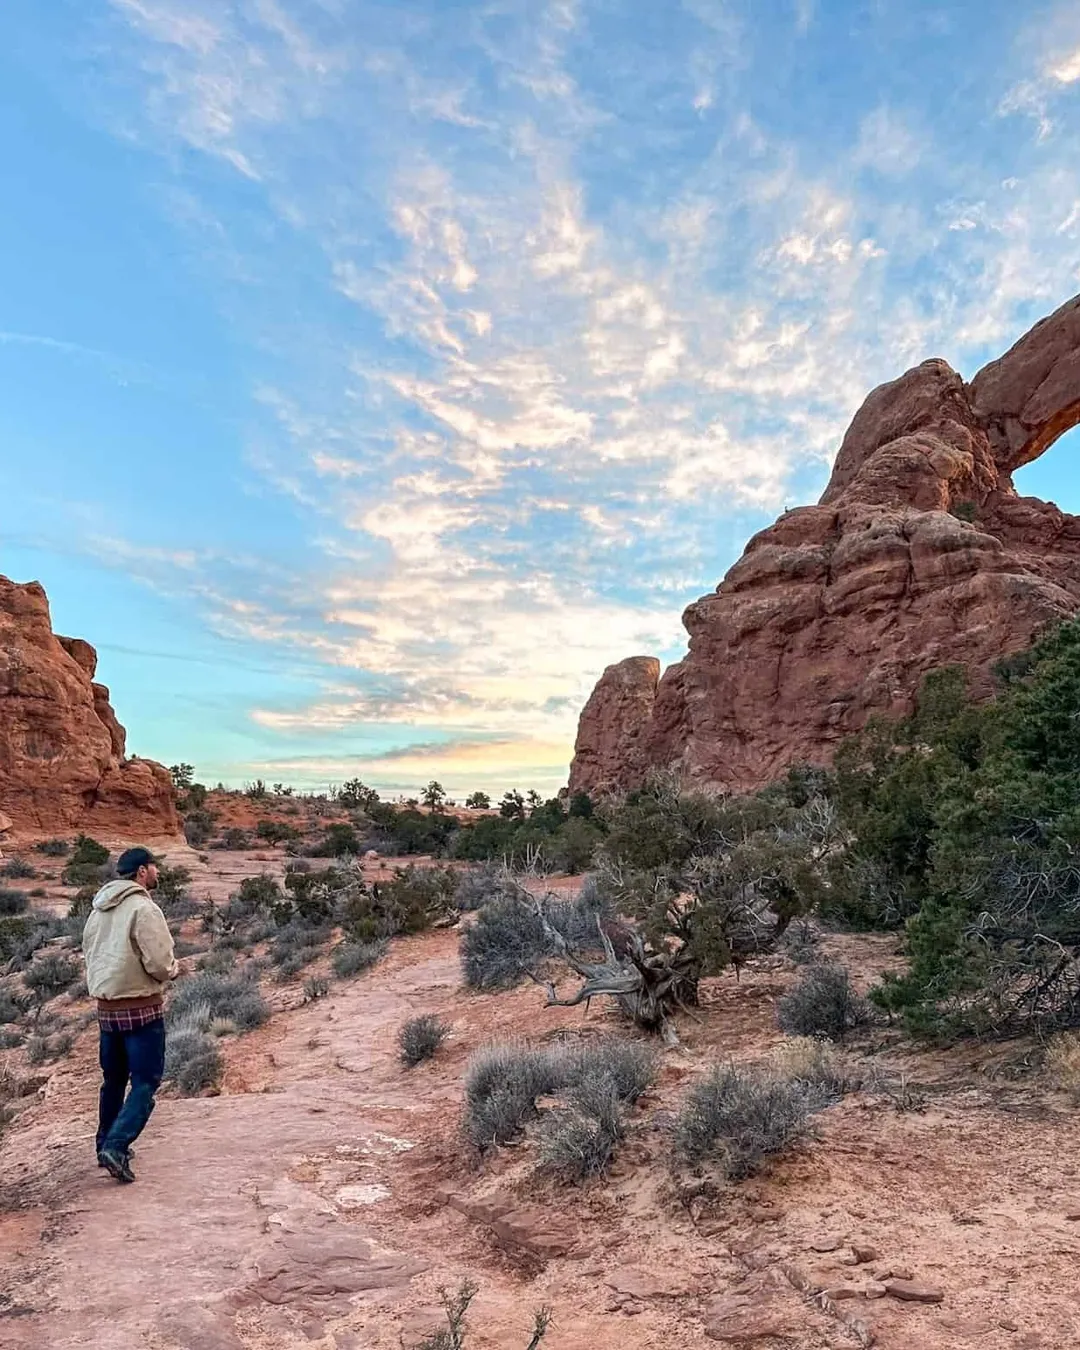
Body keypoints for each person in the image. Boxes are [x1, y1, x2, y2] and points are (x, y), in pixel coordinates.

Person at [82, 846, 178, 1183]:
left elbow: (90, 955)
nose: (156, 873)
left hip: (107, 1010)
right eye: (153, 867)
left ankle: (103, 1144)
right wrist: (173, 969)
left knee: (113, 1080)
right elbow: (160, 963)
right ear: (141, 872)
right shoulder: (143, 908)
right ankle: (117, 1146)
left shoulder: (98, 909)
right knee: (145, 1081)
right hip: (140, 1009)